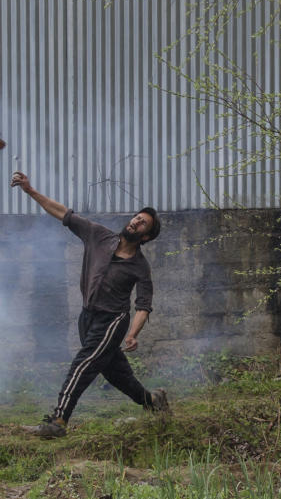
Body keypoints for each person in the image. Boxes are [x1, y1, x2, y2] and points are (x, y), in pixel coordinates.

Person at [10, 171, 169, 438]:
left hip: (112, 322)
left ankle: (58, 422)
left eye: (143, 224)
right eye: (137, 218)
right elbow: (63, 213)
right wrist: (30, 190)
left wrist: (133, 333)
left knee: (83, 365)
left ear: (145, 238)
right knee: (117, 375)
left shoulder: (140, 267)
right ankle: (154, 402)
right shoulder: (99, 235)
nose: (136, 222)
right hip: (88, 317)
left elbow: (143, 305)